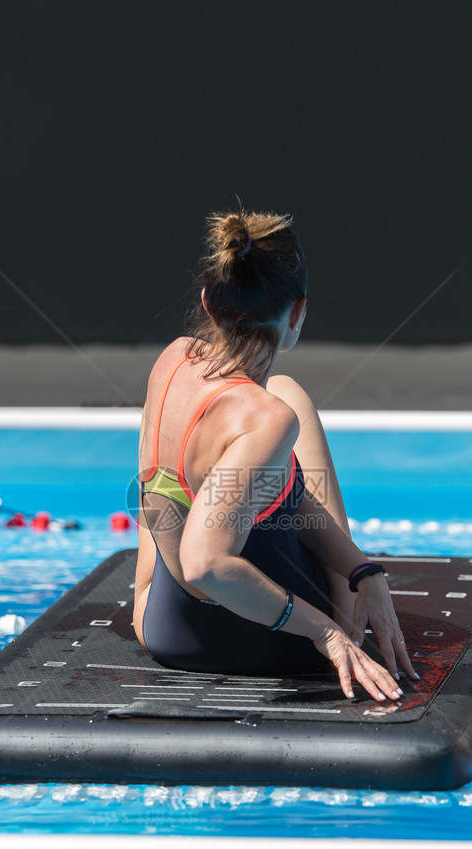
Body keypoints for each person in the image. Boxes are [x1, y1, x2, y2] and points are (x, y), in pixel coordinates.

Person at [133, 206, 416, 702]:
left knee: (168, 487)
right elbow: (206, 564)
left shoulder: (173, 359)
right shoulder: (267, 418)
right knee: (287, 395)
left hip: (163, 626)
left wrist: (362, 569)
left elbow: (248, 491)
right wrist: (324, 632)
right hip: (270, 645)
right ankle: (338, 621)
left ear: (208, 301)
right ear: (297, 313)